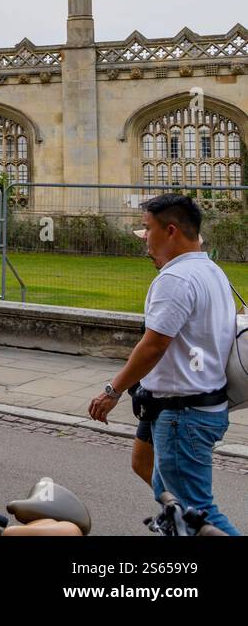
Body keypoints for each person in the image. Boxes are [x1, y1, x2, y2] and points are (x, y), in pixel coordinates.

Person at [88, 194, 238, 535]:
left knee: (200, 515)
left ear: (170, 230)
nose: (144, 240)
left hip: (183, 413)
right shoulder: (211, 270)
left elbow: (153, 346)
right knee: (160, 483)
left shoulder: (177, 280)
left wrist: (113, 390)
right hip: (191, 403)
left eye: (147, 229)